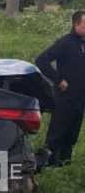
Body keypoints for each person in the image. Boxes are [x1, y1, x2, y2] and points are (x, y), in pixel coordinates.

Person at [36, 9, 85, 166]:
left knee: (72, 133)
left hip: (80, 97)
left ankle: (64, 163)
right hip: (65, 97)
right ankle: (48, 163)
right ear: (76, 24)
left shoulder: (83, 44)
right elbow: (42, 60)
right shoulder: (66, 42)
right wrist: (58, 80)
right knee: (57, 133)